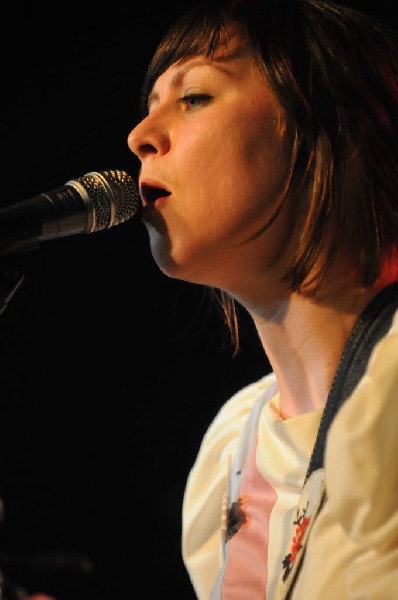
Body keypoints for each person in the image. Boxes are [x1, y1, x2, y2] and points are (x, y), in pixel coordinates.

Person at [127, 0, 398, 598]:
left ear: (336, 127)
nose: (140, 137)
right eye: (149, 108)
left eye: (193, 97)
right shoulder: (231, 450)